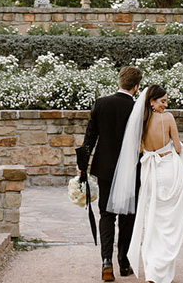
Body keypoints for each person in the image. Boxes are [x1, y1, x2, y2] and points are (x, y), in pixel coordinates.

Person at [107, 85, 183, 283]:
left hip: (150, 173)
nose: (165, 104)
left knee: (152, 220)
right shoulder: (168, 118)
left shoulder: (140, 122)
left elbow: (138, 150)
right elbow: (178, 147)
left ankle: (153, 271)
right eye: (162, 101)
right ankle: (162, 268)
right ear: (152, 101)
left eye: (166, 101)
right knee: (170, 222)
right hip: (169, 169)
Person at [78, 65, 142, 282]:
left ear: (120, 81)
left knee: (106, 214)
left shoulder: (101, 103)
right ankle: (123, 262)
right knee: (128, 216)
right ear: (136, 86)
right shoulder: (138, 108)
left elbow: (90, 138)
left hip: (105, 168)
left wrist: (82, 165)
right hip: (131, 169)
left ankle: (106, 261)